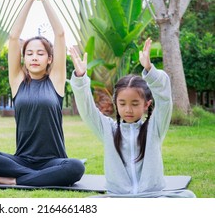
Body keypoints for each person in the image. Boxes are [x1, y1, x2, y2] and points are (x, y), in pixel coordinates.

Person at [0, 0, 85, 186]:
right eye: (29, 53)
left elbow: (59, 34)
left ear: (49, 59)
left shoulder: (56, 82)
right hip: (21, 160)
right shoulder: (18, 82)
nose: (34, 57)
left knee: (75, 167)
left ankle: (14, 180)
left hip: (53, 161)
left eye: (40, 53)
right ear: (23, 58)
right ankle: (30, 178)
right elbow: (13, 38)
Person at [69, 38, 196, 197]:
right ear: (116, 103)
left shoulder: (154, 128)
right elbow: (87, 110)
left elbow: (164, 99)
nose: (128, 109)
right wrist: (80, 77)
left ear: (146, 104)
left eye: (135, 103)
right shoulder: (108, 130)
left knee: (188, 196)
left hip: (152, 197)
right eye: (122, 103)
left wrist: (150, 69)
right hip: (118, 197)